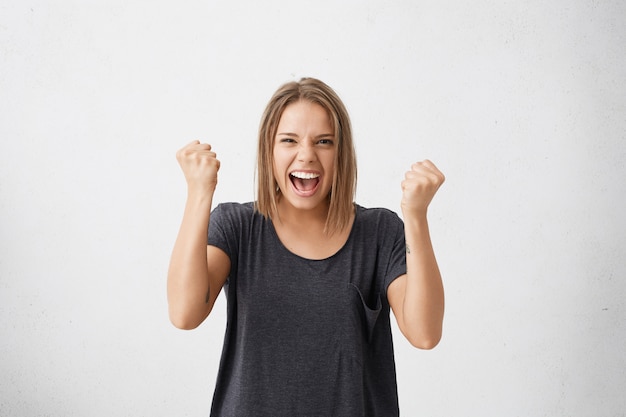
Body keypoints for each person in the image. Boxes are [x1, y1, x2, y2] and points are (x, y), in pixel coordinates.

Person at [167, 77, 445, 416]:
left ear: (341, 152)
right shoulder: (236, 226)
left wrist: (415, 216)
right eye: (289, 140)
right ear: (269, 150)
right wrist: (199, 193)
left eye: (324, 142)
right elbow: (184, 313)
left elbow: (425, 333)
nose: (307, 156)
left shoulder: (380, 234)